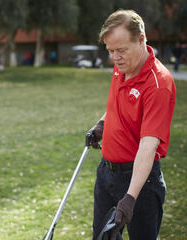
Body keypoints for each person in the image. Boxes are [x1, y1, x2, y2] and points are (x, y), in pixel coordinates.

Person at [86, 10, 176, 240]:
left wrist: (130, 197)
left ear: (141, 40)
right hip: (107, 173)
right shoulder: (123, 65)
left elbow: (148, 145)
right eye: (110, 51)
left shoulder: (158, 84)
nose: (115, 57)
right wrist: (102, 124)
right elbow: (120, 105)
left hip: (140, 184)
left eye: (121, 50)